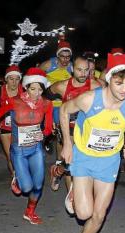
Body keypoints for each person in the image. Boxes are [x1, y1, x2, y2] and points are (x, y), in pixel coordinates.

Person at [59, 53, 125, 233]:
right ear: (108, 79)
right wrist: (67, 143)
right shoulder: (89, 99)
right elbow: (64, 110)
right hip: (84, 157)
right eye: (118, 82)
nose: (124, 88)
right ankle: (73, 191)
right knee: (83, 213)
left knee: (98, 214)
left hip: (109, 161)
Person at [0, 68, 53, 225]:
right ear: (26, 87)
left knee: (38, 185)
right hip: (18, 151)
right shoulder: (15, 101)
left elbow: (49, 127)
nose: (36, 93)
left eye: (40, 89)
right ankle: (17, 179)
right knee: (26, 188)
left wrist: (43, 134)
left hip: (36, 149)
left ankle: (29, 211)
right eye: (33, 89)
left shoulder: (46, 104)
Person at [46, 55, 100, 211]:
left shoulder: (96, 86)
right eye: (79, 70)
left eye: (86, 70)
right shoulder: (61, 86)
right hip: (68, 129)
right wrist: (51, 120)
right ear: (72, 69)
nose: (83, 74)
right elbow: (44, 98)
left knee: (85, 162)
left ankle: (56, 171)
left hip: (88, 130)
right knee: (72, 161)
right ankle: (72, 195)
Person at [0, 65, 23, 189]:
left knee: (21, 154)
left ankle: (22, 174)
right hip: (5, 127)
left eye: (17, 79)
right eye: (11, 79)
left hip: (21, 127)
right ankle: (15, 176)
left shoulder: (24, 90)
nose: (14, 82)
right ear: (6, 79)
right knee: (11, 155)